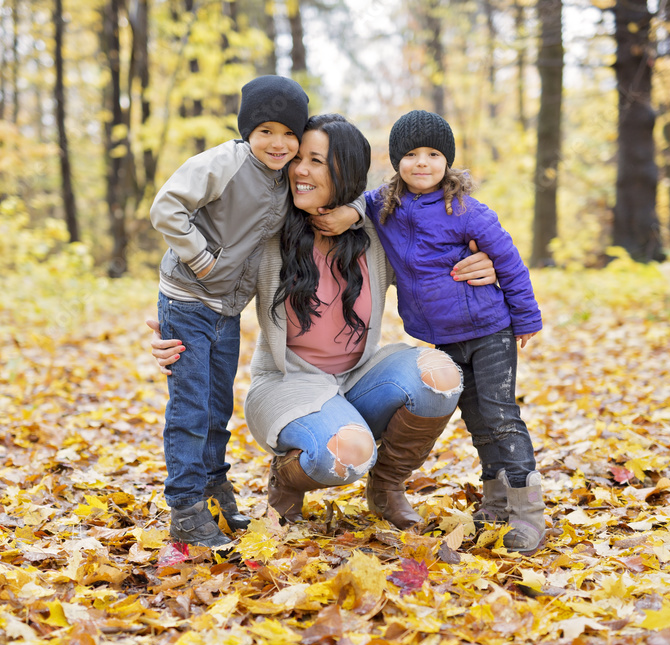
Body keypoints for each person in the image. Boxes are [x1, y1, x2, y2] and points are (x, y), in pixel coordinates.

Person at [152, 114, 498, 532]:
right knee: (347, 454)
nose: (299, 169)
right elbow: (205, 285)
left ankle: (386, 488)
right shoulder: (270, 231)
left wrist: (485, 265)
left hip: (359, 375)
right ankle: (287, 475)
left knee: (441, 376)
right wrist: (172, 327)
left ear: (345, 171)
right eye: (300, 158)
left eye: (316, 161)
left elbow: (437, 253)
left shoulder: (378, 230)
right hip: (286, 383)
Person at [150, 76, 364, 547]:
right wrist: (200, 257)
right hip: (188, 300)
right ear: (248, 130)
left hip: (224, 310)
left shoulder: (284, 182)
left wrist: (354, 212)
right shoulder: (224, 163)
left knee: (215, 406)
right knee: (190, 407)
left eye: (290, 133)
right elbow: (166, 207)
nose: (279, 143)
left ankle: (214, 492)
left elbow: (368, 197)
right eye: (266, 130)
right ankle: (185, 508)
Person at [366, 110, 546, 553]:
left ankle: (528, 512)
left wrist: (526, 318)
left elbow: (509, 262)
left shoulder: (465, 209)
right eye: (410, 154)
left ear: (447, 160)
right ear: (395, 161)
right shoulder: (383, 206)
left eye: (432, 154)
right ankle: (496, 499)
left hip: (489, 330)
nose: (421, 162)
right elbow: (348, 205)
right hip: (444, 338)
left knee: (501, 415)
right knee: (478, 421)